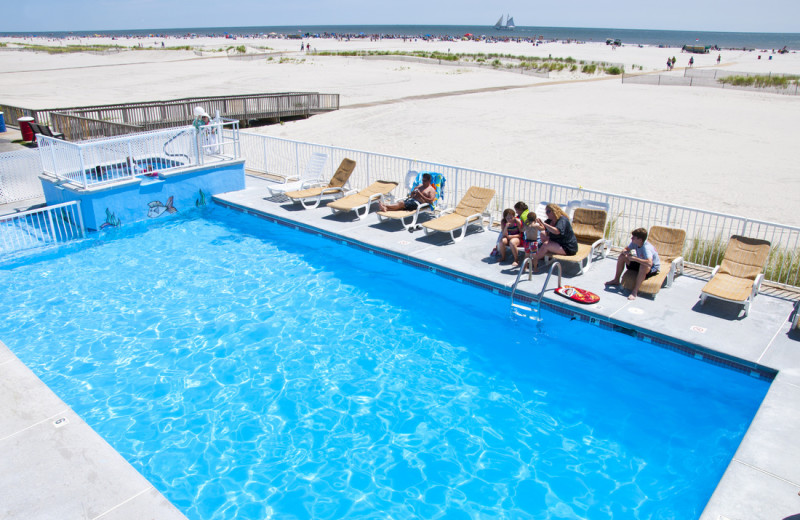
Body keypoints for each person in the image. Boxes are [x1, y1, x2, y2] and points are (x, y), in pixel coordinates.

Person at [605, 227, 661, 300]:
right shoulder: (635, 243)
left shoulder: (646, 248)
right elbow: (625, 249)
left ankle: (635, 291)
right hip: (641, 262)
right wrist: (626, 253)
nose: (631, 238)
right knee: (622, 257)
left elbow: (649, 263)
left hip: (652, 268)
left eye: (633, 238)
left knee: (643, 266)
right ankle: (616, 280)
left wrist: (634, 258)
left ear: (640, 240)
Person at [531, 203, 578, 272]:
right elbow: (544, 228)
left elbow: (557, 231)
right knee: (542, 234)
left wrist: (544, 224)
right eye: (546, 212)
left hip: (567, 247)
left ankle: (534, 260)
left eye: (548, 211)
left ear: (554, 211)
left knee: (546, 245)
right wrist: (539, 223)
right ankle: (545, 254)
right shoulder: (551, 220)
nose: (546, 213)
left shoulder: (562, 220)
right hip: (558, 241)